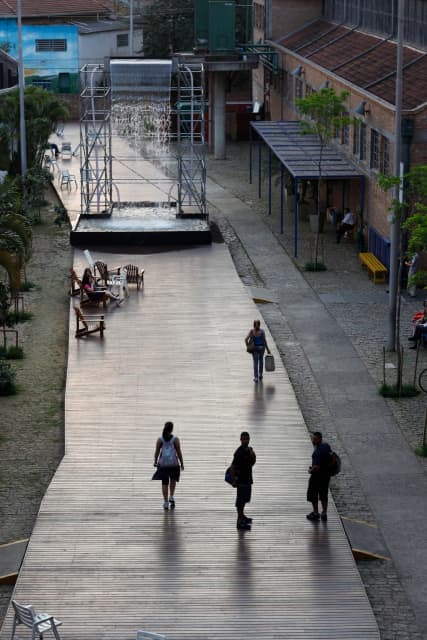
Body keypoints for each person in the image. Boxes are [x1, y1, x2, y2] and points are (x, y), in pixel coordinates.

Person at [153, 421, 184, 510]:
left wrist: (155, 461)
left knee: (164, 482)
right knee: (173, 480)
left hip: (163, 465)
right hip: (173, 464)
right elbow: (179, 452)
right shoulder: (175, 439)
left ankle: (166, 502)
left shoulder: (160, 440)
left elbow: (157, 452)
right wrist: (182, 463)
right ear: (172, 429)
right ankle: (171, 496)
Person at [230, 431, 256, 531]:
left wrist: (252, 453)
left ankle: (242, 516)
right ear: (240, 440)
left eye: (247, 439)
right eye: (244, 439)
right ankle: (239, 521)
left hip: (248, 479)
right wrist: (233, 481)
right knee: (240, 501)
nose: (246, 441)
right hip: (241, 480)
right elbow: (232, 467)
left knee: (245, 499)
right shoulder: (239, 452)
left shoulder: (249, 450)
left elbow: (252, 462)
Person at [306, 431, 332, 522]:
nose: (313, 440)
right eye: (313, 439)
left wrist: (310, 470)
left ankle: (316, 513)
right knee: (324, 494)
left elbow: (316, 467)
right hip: (326, 475)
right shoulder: (326, 446)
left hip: (317, 476)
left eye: (315, 439)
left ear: (319, 439)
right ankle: (324, 513)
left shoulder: (317, 451)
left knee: (313, 494)